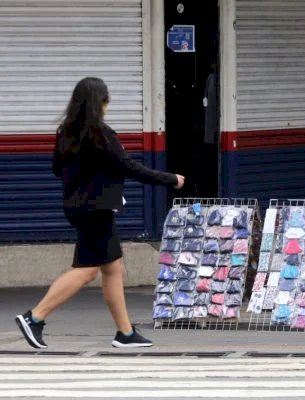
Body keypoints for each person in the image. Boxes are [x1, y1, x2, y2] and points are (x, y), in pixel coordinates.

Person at [15, 77, 185, 349]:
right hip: (97, 209)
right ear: (99, 104)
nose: (108, 106)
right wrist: (170, 178)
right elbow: (129, 167)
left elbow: (57, 170)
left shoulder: (66, 132)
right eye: (106, 102)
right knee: (85, 271)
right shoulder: (101, 134)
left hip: (79, 208)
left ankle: (125, 332)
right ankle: (35, 317)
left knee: (112, 267)